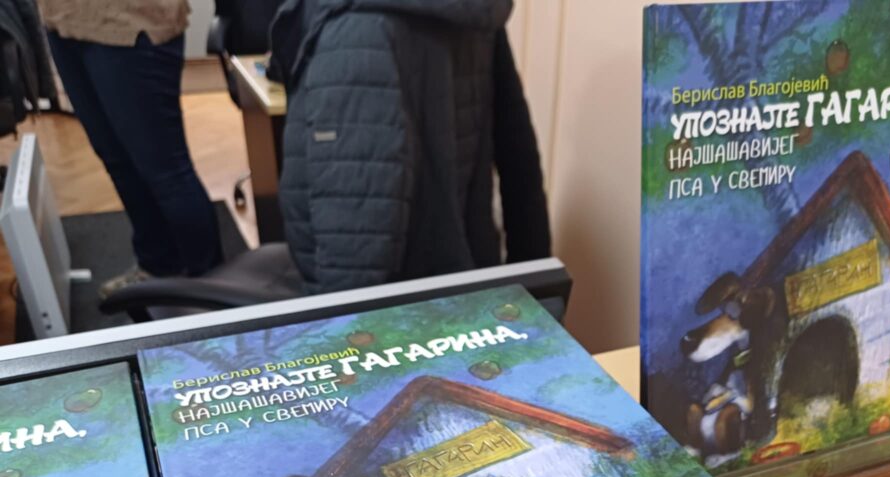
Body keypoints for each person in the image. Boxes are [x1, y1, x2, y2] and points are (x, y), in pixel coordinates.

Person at [270, 0, 551, 295]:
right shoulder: (472, 13)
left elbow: (355, 238)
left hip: (398, 307)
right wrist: (535, 290)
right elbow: (520, 160)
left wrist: (337, 320)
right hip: (466, 282)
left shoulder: (357, 31)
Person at [39, 0, 223, 298]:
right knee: (117, 159)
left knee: (166, 172)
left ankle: (213, 294)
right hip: (63, 20)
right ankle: (158, 265)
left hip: (131, 23)